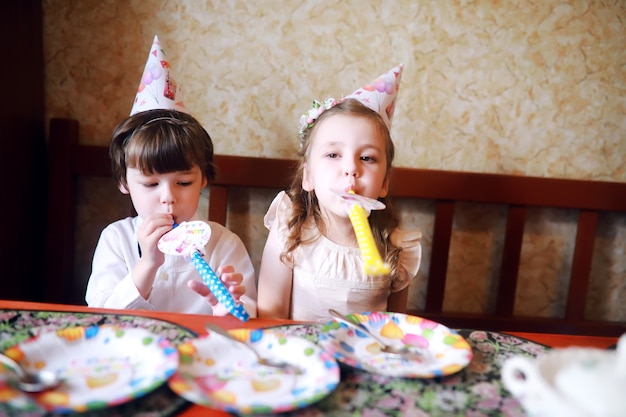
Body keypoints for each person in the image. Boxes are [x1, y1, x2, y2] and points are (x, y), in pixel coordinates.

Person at [85, 36, 257, 316]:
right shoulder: (117, 240)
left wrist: (226, 306)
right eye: (151, 183)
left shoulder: (224, 244)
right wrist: (148, 263)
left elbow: (245, 317)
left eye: (184, 182)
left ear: (203, 179)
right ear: (124, 182)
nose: (168, 198)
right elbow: (102, 315)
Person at [257, 65, 421, 322]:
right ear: (308, 176)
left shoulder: (397, 248)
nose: (350, 169)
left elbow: (395, 328)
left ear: (384, 183)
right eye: (333, 155)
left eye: (367, 157)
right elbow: (270, 315)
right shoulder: (290, 229)